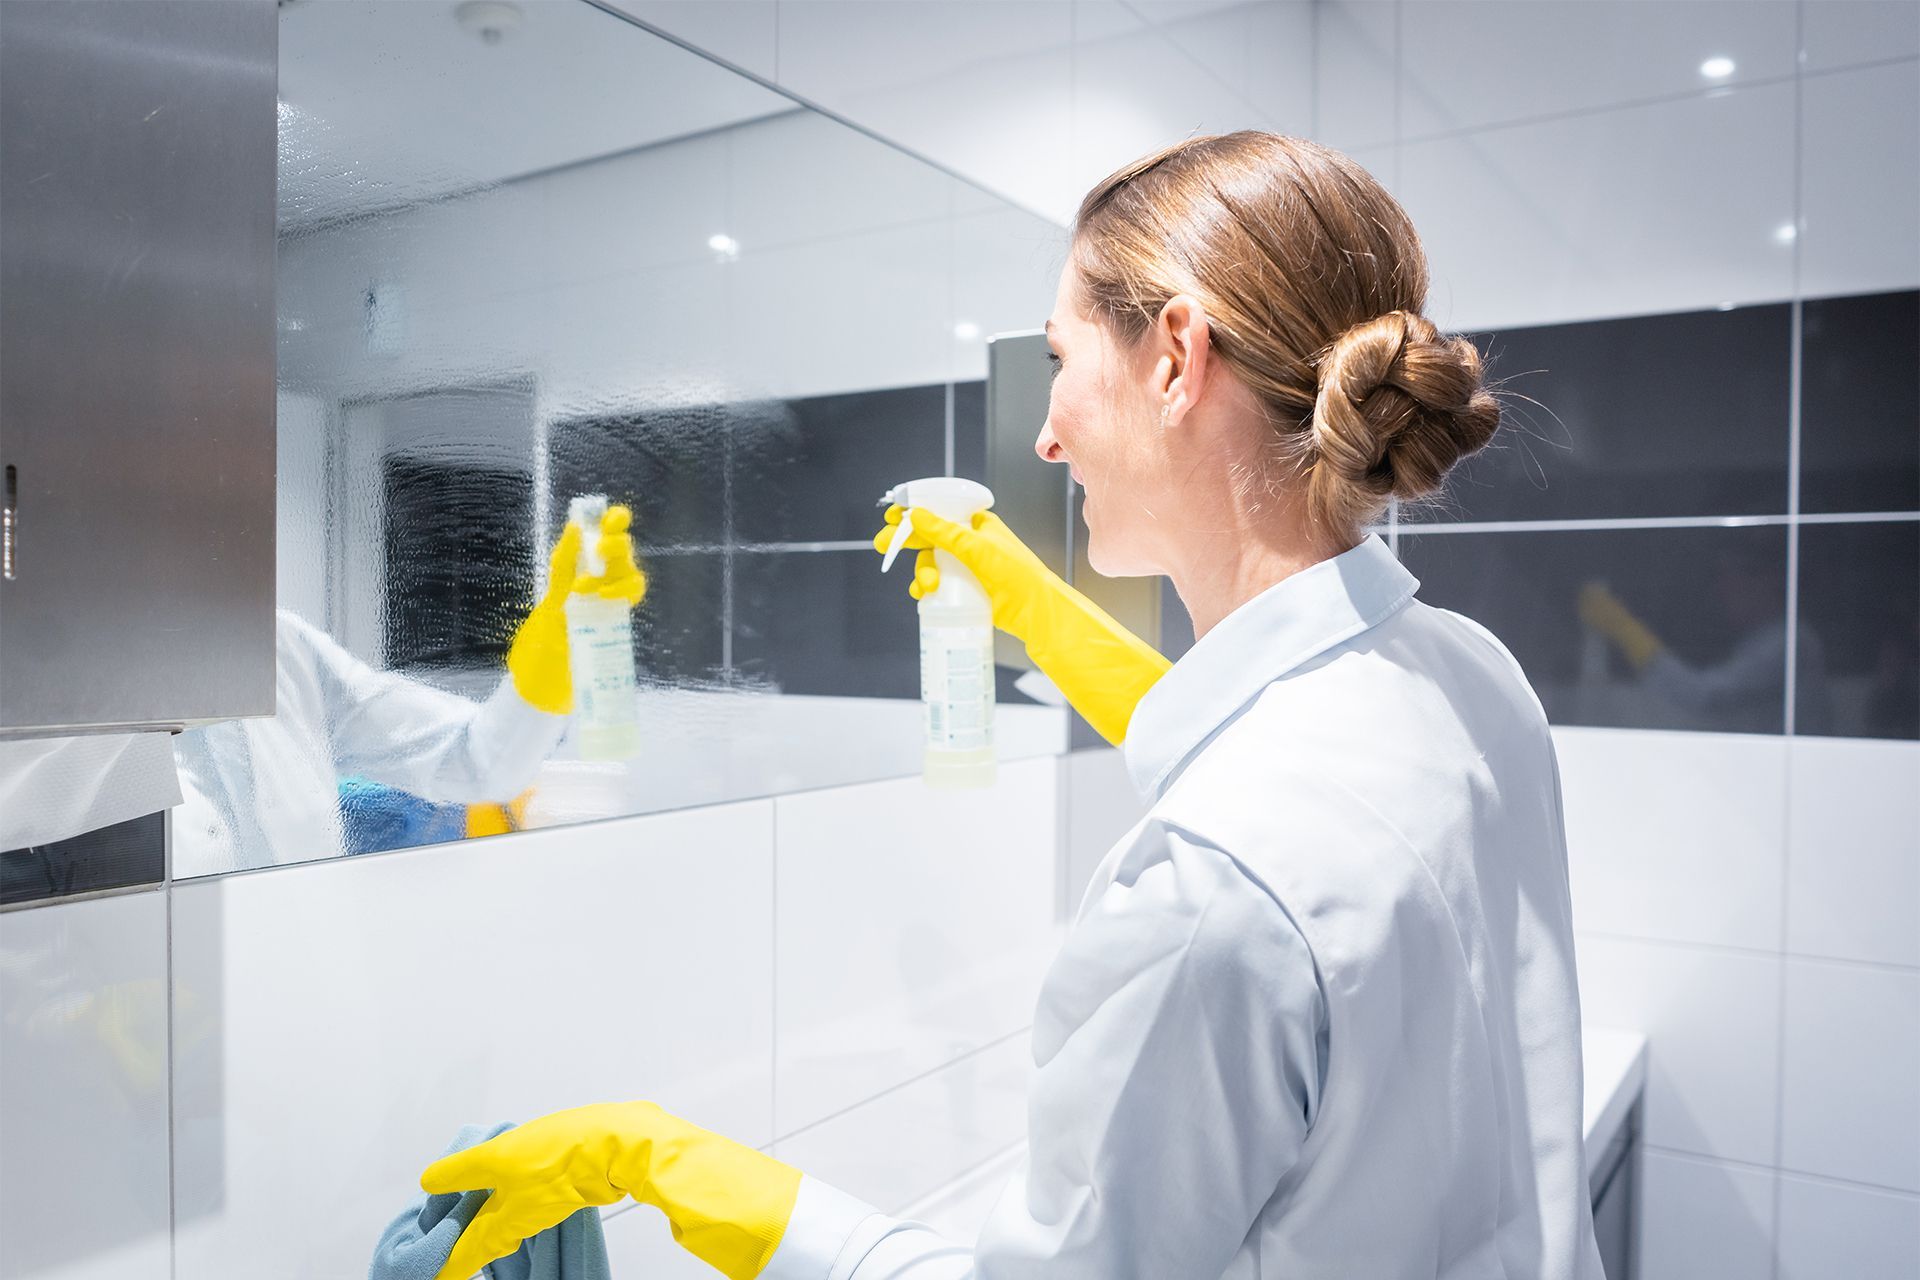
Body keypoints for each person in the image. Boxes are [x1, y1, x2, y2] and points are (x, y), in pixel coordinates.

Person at [420, 133, 1602, 1280]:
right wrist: (1024, 594)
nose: (1044, 433)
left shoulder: (1212, 881)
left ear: (1175, 356)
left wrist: (666, 1161)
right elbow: (1248, 745)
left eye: (1056, 360)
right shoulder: (1466, 674)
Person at [170, 507, 646, 875]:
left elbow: (477, 762)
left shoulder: (282, 649)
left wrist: (549, 664)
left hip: (306, 985)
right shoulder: (96, 705)